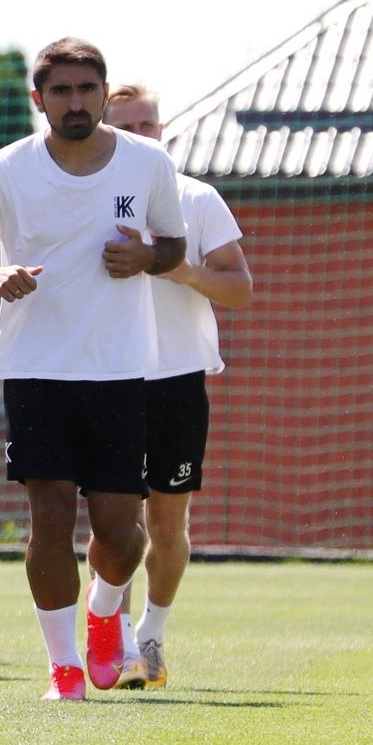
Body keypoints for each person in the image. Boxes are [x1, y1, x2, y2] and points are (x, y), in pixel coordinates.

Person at [0, 38, 186, 700]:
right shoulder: (3, 170)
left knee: (122, 535)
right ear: (38, 99)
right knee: (49, 518)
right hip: (35, 367)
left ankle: (105, 612)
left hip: (120, 366)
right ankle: (63, 667)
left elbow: (174, 245)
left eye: (86, 89)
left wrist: (147, 259)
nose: (75, 102)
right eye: (62, 91)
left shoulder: (147, 163)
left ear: (104, 94)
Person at [102, 82, 252, 688]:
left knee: (167, 526)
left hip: (177, 381)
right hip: (107, 377)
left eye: (150, 127)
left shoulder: (196, 197)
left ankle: (151, 638)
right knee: (115, 526)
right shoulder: (85, 198)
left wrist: (179, 266)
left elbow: (239, 288)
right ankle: (105, 635)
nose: (141, 138)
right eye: (128, 128)